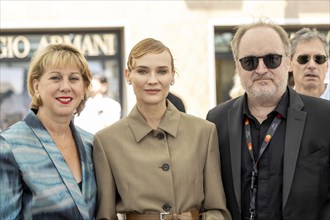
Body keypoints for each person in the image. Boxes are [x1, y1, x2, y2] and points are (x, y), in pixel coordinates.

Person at [93, 38, 231, 220]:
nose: (153, 80)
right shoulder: (107, 141)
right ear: (128, 75)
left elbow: (218, 210)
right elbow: (105, 216)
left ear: (172, 75)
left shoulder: (203, 132)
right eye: (142, 71)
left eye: (162, 71)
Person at [207, 19, 330, 220]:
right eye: (250, 61)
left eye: (272, 59)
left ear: (288, 61)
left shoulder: (325, 116)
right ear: (237, 67)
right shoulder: (216, 120)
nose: (261, 69)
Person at [0, 44, 97, 219]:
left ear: (83, 88)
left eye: (74, 78)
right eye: (55, 78)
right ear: (36, 87)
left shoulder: (92, 144)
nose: (65, 87)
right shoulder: (9, 146)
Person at [289, 27, 329, 100]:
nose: (312, 65)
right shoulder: (279, 105)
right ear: (289, 63)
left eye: (319, 58)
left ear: (327, 65)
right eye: (303, 59)